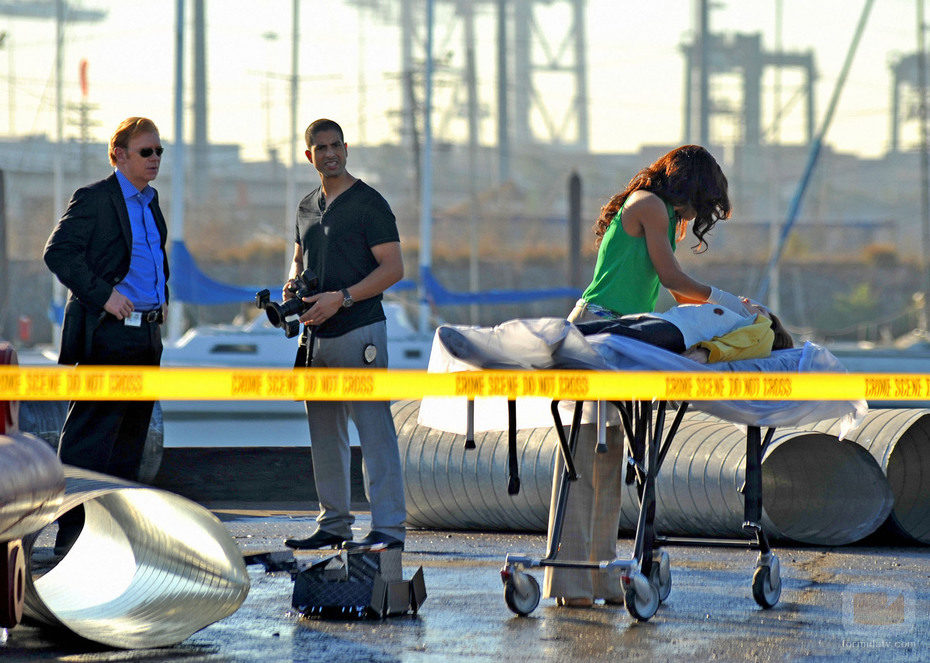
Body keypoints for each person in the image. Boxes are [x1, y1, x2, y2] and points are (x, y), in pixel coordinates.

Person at [546, 144, 744, 607]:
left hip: (624, 334)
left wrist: (720, 313)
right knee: (581, 456)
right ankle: (570, 581)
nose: (696, 213)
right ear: (686, 186)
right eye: (699, 201)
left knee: (610, 456)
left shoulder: (659, 211)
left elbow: (667, 289)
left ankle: (601, 577)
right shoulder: (649, 206)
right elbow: (672, 278)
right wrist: (727, 303)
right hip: (596, 327)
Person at [44, 116, 169, 554]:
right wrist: (105, 297)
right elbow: (58, 252)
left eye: (158, 151)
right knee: (90, 436)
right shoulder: (95, 198)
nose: (154, 159)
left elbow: (150, 257)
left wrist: (161, 297)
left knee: (130, 439)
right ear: (118, 154)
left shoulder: (150, 201)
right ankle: (70, 535)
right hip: (107, 333)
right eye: (145, 152)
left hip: (146, 336)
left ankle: (113, 533)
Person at [283, 119, 407, 552]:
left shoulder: (369, 204)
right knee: (324, 433)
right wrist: (291, 286)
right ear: (309, 155)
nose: (331, 152)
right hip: (316, 338)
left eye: (337, 145)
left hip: (360, 331)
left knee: (374, 431)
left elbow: (393, 269)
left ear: (347, 148)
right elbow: (299, 261)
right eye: (321, 147)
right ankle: (333, 524)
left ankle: (389, 529)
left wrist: (344, 298)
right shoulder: (306, 206)